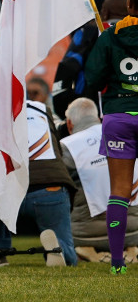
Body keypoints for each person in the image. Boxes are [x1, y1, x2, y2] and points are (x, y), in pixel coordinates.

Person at [0, 100, 78, 267]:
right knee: (68, 254)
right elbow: (58, 151)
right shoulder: (43, 110)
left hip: (7, 196)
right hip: (49, 188)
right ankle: (61, 250)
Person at [85, 0, 138, 275]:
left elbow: (91, 80)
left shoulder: (110, 35)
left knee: (119, 192)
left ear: (130, 5)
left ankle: (117, 264)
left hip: (118, 116)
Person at [60, 98, 138, 263]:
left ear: (69, 124)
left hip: (86, 237)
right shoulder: (127, 136)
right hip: (133, 233)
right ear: (98, 118)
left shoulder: (67, 146)